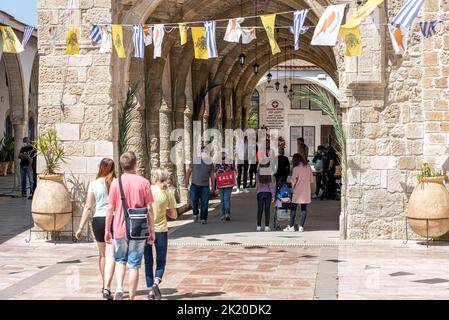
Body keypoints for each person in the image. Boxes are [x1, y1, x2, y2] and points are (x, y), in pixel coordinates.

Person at [105, 151, 155, 300]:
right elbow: (150, 210)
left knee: (120, 260)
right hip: (138, 229)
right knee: (134, 264)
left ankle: (119, 287)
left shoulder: (115, 182)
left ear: (122, 165)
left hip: (119, 228)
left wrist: (108, 229)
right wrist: (151, 231)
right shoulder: (144, 182)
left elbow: (110, 209)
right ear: (136, 163)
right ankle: (132, 297)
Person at [75, 158, 116, 300]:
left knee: (103, 255)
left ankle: (105, 285)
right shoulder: (116, 182)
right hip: (114, 220)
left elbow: (88, 207)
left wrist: (80, 227)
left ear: (101, 168)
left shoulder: (94, 184)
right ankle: (108, 286)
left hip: (99, 220)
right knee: (112, 255)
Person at [144, 168, 177, 300]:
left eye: (152, 175)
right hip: (161, 230)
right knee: (161, 260)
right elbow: (174, 215)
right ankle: (156, 283)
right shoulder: (168, 192)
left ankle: (150, 290)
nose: (151, 177)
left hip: (146, 230)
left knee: (148, 261)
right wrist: (165, 212)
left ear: (156, 178)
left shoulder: (147, 190)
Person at [284, 153, 313, 232]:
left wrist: (291, 187)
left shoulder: (295, 168)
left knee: (293, 208)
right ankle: (301, 226)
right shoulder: (308, 167)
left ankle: (291, 226)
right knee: (304, 209)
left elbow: (293, 181)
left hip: (297, 191)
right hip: (306, 190)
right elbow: (311, 180)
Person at [185, 148, 215, 224]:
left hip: (205, 186)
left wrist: (213, 186)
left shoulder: (210, 163)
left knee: (205, 203)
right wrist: (186, 182)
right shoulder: (195, 160)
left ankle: (203, 218)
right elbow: (189, 171)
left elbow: (212, 175)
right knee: (193, 200)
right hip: (194, 185)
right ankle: (195, 213)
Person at [215, 149, 236, 221]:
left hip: (228, 183)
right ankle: (223, 214)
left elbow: (234, 171)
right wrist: (217, 172)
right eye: (221, 153)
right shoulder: (217, 162)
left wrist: (230, 169)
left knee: (226, 199)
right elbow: (215, 171)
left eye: (224, 153)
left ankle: (227, 214)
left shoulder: (230, 161)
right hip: (220, 183)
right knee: (222, 200)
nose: (222, 154)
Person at [256, 160, 275, 232]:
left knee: (259, 210)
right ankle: (267, 226)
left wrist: (257, 192)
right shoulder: (269, 175)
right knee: (267, 210)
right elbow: (271, 186)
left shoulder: (257, 174)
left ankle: (258, 226)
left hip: (260, 193)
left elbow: (257, 185)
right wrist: (273, 195)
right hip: (268, 194)